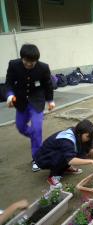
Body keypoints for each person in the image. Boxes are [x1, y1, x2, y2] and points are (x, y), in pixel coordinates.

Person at [5, 44, 55, 172]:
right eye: (26, 61)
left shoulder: (43, 67)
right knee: (20, 127)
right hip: (20, 100)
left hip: (37, 100)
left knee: (37, 128)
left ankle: (37, 158)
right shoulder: (13, 65)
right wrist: (10, 96)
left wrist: (50, 100)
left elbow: (48, 85)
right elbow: (8, 83)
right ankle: (35, 137)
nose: (28, 64)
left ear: (36, 60)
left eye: (32, 62)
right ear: (22, 58)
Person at [34, 119, 93, 189]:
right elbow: (71, 160)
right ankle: (52, 177)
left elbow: (88, 150)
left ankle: (65, 168)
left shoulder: (78, 134)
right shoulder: (68, 139)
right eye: (88, 137)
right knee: (66, 156)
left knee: (75, 151)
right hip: (44, 158)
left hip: (55, 154)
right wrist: (91, 161)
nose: (89, 139)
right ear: (80, 133)